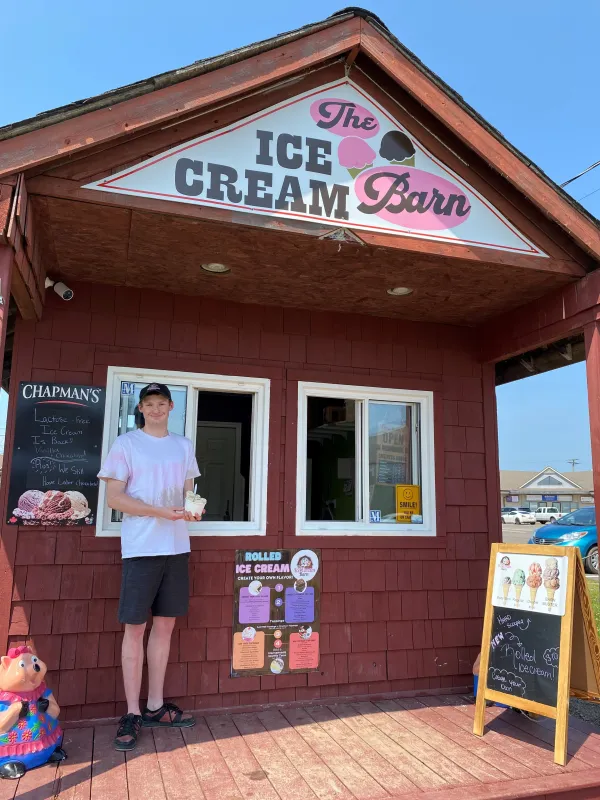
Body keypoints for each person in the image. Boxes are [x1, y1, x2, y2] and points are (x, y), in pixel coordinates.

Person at [98, 382, 204, 751]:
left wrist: (193, 507)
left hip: (176, 547)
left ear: (171, 407)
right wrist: (160, 511)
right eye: (150, 404)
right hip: (141, 548)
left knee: (165, 627)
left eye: (162, 403)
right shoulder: (126, 444)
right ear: (141, 408)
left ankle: (156, 705)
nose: (156, 409)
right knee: (135, 628)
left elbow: (189, 491)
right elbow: (114, 497)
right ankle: (131, 712)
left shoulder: (183, 446)